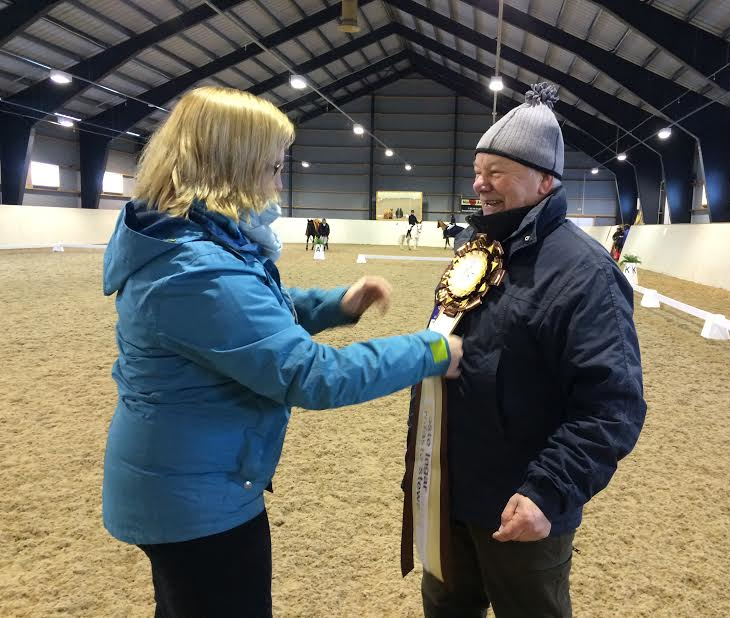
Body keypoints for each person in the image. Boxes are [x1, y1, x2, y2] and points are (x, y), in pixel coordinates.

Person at [100, 86, 463, 618]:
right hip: (197, 503)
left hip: (186, 482)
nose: (279, 182)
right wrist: (430, 350)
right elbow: (311, 374)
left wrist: (336, 304)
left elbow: (256, 311)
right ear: (232, 168)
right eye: (272, 167)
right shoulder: (196, 270)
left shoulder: (191, 244)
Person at [416, 82, 646, 618]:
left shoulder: (587, 273)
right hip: (448, 491)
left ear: (545, 181)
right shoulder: (475, 249)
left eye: (497, 172)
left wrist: (549, 491)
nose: (480, 184)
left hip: (521, 504)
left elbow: (612, 406)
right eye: (478, 170)